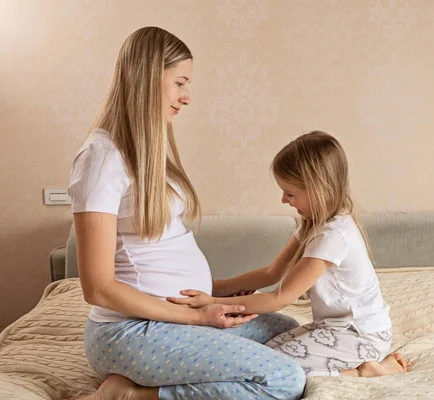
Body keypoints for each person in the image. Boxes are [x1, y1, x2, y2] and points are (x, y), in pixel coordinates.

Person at [68, 26, 306, 400]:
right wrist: (197, 316)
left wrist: (216, 295)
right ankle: (127, 395)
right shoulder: (101, 158)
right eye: (180, 83)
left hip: (178, 321)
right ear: (148, 78)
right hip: (132, 331)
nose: (187, 97)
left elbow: (158, 252)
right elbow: (98, 288)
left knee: (288, 333)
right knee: (284, 379)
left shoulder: (145, 152)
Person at [168, 131, 408, 378]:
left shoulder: (333, 236)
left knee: (273, 370)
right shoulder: (312, 223)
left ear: (318, 189)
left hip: (360, 335)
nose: (283, 199)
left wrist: (213, 303)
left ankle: (368, 371)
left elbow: (280, 298)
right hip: (334, 328)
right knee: (267, 352)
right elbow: (271, 273)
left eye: (290, 193)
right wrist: (214, 288)